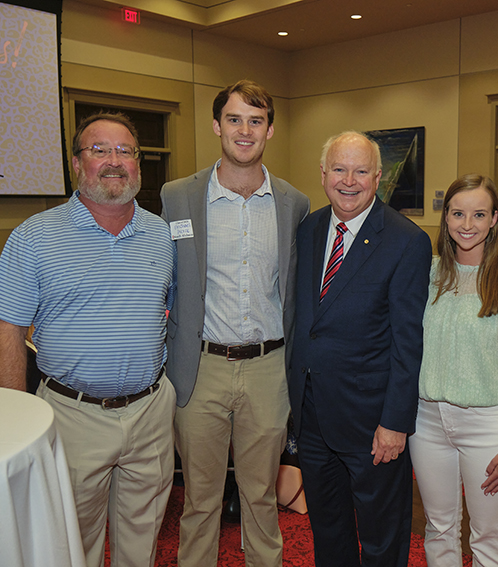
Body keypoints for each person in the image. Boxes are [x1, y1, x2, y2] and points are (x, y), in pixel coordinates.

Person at [0, 112, 177, 567]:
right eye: (99, 150)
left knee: (142, 544)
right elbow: (6, 331)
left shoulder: (161, 235)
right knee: (70, 545)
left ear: (139, 165)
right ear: (75, 163)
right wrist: (16, 426)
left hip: (150, 414)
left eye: (125, 151)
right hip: (72, 415)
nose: (114, 161)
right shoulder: (33, 237)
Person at [160, 79, 309, 566]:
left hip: (268, 369)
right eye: (234, 119)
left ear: (270, 129)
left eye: (256, 120)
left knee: (261, 497)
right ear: (216, 125)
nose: (244, 130)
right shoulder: (178, 196)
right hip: (200, 367)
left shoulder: (293, 203)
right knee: (199, 501)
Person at [288, 131, 432, 566]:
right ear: (323, 173)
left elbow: (409, 343)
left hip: (373, 426)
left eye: (361, 171)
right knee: (328, 532)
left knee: (381, 538)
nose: (349, 180)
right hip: (312, 419)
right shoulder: (309, 229)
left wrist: (394, 423)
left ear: (378, 177)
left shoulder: (407, 241)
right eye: (339, 169)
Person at [408, 174, 498, 566]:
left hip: (487, 426)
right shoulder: (425, 275)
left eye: (479, 214)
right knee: (439, 528)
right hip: (427, 422)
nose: (467, 224)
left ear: (495, 219)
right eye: (458, 213)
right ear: (445, 218)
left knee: (489, 537)